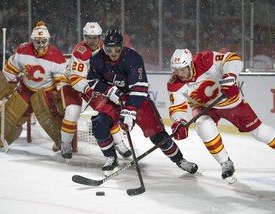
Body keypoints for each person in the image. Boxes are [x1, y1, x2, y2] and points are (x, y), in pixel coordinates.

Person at [87, 29, 198, 176]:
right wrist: (109, 90)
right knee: (99, 124)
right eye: (109, 49)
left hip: (137, 99)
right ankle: (110, 157)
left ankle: (180, 160)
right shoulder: (97, 59)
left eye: (116, 49)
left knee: (158, 136)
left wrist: (130, 111)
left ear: (122, 47)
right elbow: (92, 80)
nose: (113, 53)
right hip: (114, 99)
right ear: (103, 47)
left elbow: (139, 88)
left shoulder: (132, 58)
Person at [167, 48, 275, 183]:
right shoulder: (174, 82)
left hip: (229, 102)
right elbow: (177, 106)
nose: (180, 74)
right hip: (204, 108)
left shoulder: (205, 59)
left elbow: (233, 59)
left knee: (259, 131)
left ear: (190, 64)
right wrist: (179, 121)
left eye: (183, 69)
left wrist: (230, 77)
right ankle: (225, 163)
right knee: (203, 127)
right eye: (176, 70)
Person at [0, 21, 66, 151]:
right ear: (32, 40)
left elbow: (62, 82)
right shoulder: (23, 50)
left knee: (51, 119)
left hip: (46, 91)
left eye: (43, 41)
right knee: (10, 113)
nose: (40, 45)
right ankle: (1, 139)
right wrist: (3, 84)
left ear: (48, 40)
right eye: (37, 41)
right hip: (26, 88)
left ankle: (62, 142)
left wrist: (62, 99)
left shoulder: (56, 55)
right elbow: (11, 71)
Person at [60, 22, 131, 159]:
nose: (91, 41)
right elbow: (75, 79)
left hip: (91, 84)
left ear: (100, 37)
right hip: (71, 83)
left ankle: (119, 143)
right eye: (88, 38)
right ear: (84, 36)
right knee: (72, 112)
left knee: (107, 111)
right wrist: (89, 89)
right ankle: (66, 143)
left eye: (95, 38)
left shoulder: (105, 48)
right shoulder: (80, 51)